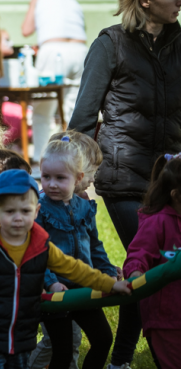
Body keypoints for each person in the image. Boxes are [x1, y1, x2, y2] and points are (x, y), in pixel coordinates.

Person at [69, 0, 181, 368]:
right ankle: (120, 360)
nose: (180, 3)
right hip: (124, 178)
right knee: (144, 271)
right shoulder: (110, 43)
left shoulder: (178, 43)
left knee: (164, 269)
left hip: (170, 176)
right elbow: (83, 116)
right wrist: (77, 172)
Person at [0, 170, 132, 369]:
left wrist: (111, 284)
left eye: (25, 211)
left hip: (22, 340)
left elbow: (76, 270)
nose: (18, 218)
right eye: (9, 211)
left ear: (37, 210)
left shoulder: (40, 245)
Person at [35, 138, 119, 369]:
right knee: (61, 352)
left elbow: (95, 246)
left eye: (60, 178)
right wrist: (51, 283)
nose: (51, 184)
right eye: (45, 176)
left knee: (103, 339)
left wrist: (107, 271)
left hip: (83, 288)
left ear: (78, 178)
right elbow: (36, 252)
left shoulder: (84, 208)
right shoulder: (39, 209)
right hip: (56, 293)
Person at [124, 154, 181, 367]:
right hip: (167, 317)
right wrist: (136, 274)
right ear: (176, 195)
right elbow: (137, 254)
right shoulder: (157, 221)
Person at [22, 0, 87, 164]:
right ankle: (75, 158)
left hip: (53, 50)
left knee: (43, 108)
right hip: (80, 50)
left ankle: (42, 158)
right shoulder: (73, 2)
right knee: (72, 110)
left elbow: (26, 30)